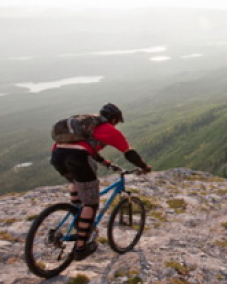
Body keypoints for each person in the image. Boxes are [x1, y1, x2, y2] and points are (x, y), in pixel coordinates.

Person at [50, 103, 152, 261]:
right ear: (113, 119)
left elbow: (87, 147)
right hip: (77, 158)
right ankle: (81, 247)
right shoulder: (108, 129)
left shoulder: (86, 126)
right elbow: (129, 152)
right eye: (117, 121)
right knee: (91, 203)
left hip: (57, 156)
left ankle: (78, 217)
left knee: (77, 183)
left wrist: (106, 163)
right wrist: (143, 166)